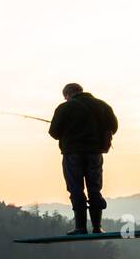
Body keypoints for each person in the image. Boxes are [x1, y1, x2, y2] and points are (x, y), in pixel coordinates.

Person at [48, 83, 118, 235]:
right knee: (95, 188)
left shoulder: (65, 108)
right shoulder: (102, 106)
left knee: (76, 188)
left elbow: (54, 132)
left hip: (72, 154)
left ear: (67, 95)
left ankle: (80, 227)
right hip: (95, 154)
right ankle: (97, 227)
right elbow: (114, 126)